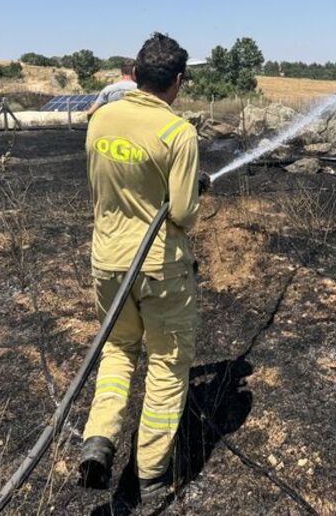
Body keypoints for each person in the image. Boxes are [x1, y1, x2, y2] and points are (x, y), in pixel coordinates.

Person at [79, 33, 201, 504]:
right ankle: (150, 473)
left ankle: (99, 439)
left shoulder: (100, 119)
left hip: (108, 262)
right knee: (168, 364)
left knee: (117, 349)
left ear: (135, 74)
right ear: (177, 81)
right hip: (158, 269)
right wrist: (190, 187)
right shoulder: (178, 132)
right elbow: (183, 214)